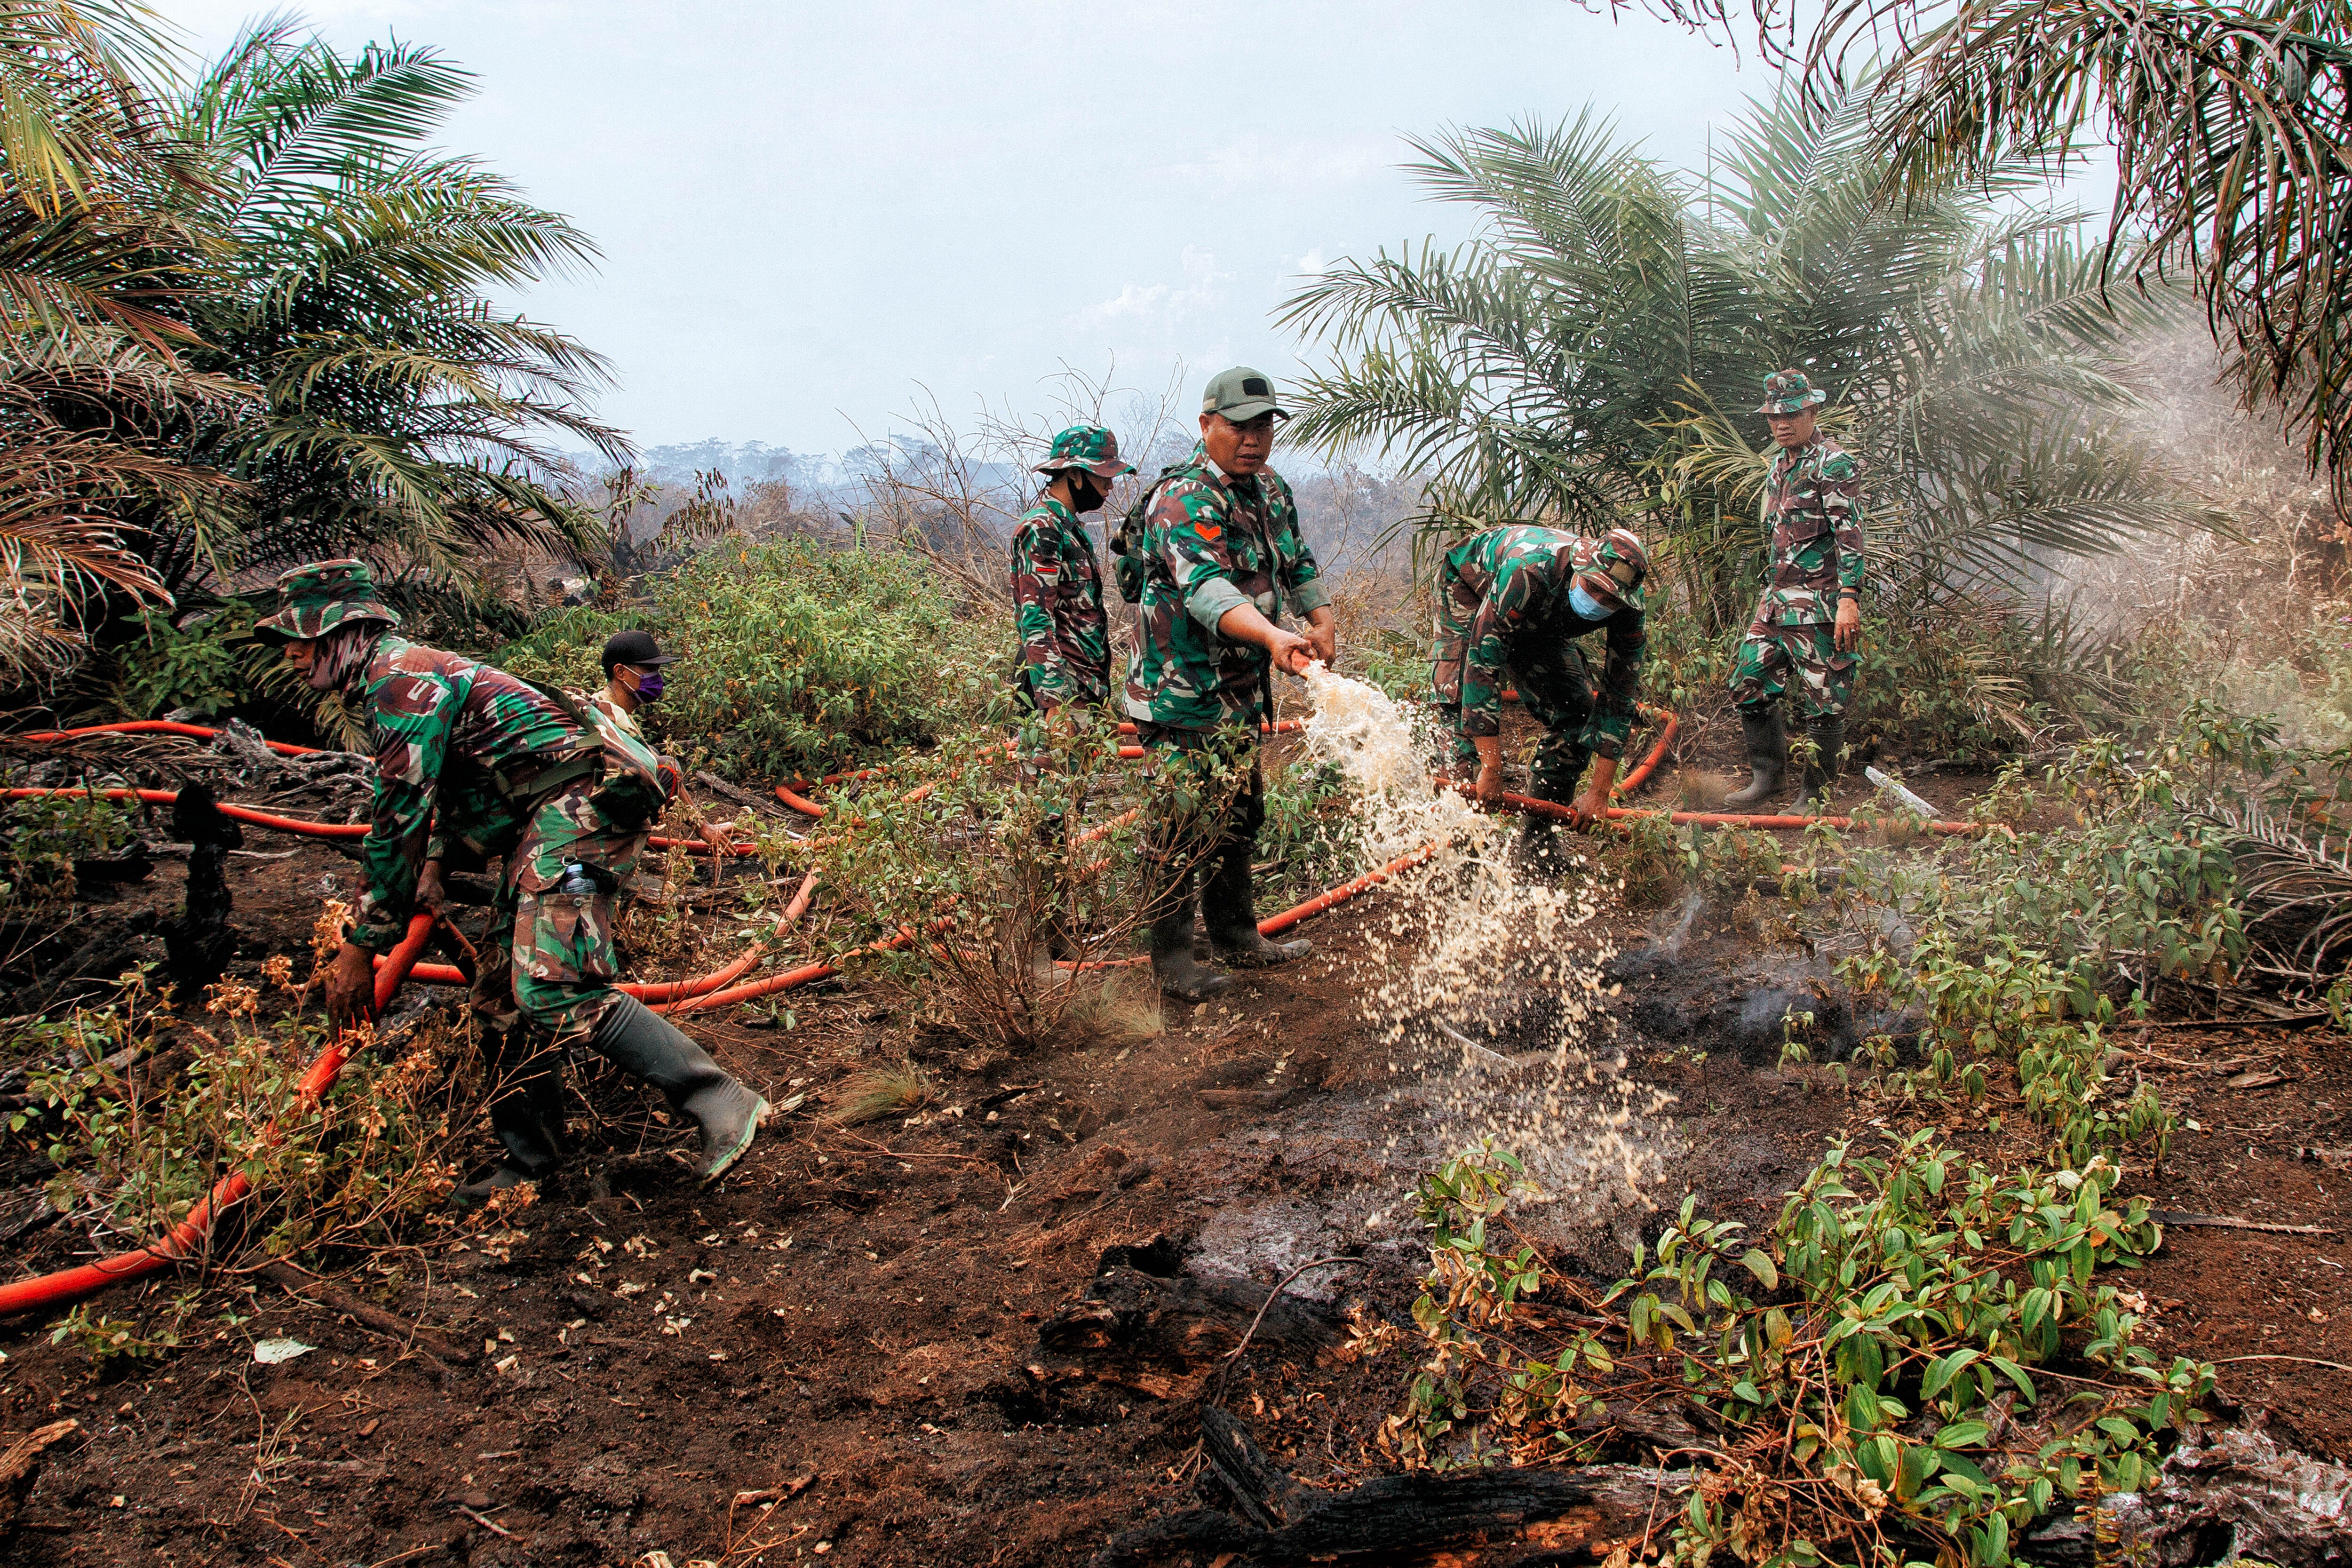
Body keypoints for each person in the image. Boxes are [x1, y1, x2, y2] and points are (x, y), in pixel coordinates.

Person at [256, 560, 769, 1201]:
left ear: (343, 633)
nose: (294, 659)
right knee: (501, 990)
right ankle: (533, 1165)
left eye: (301, 642)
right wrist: (438, 866)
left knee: (555, 987)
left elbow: (397, 820)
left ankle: (720, 1097)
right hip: (545, 820)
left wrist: (361, 946)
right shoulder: (401, 677)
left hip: (581, 818)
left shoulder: (400, 683)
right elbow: (468, 782)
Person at [1121, 366, 1336, 1002]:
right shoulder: (1182, 499)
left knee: (1237, 813)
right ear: (1207, 424)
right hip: (1180, 690)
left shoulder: (1269, 489)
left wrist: (1321, 616)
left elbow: (1296, 558)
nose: (1254, 438)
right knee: (1180, 822)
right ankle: (1172, 963)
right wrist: (1274, 637)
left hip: (1238, 689)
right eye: (1241, 425)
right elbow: (1208, 589)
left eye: (1265, 424)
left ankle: (1238, 936)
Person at [1431, 525, 1649, 869]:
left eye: (1610, 600)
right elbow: (1482, 665)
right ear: (1581, 567)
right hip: (1473, 586)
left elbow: (1620, 697)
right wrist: (1491, 766)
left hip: (1544, 620)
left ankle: (1537, 849)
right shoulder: (1529, 570)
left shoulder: (1629, 610)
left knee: (1576, 713)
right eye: (1593, 588)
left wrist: (1599, 791)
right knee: (1461, 713)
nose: (1598, 602)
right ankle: (1459, 855)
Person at [1722, 369, 1866, 809]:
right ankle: (1768, 780)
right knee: (1749, 679)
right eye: (1774, 418)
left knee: (1825, 697)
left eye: (1791, 415)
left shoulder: (1833, 463)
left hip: (1821, 601)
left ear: (1812, 411)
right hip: (1778, 599)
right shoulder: (1779, 466)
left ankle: (1815, 797)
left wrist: (1849, 599)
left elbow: (1850, 534)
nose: (1781, 424)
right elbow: (1777, 535)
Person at [588, 628, 740, 856]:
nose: (656, 678)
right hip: (590, 821)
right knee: (666, 767)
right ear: (620, 672)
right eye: (649, 669)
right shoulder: (608, 716)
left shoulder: (611, 709)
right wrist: (704, 829)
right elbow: (664, 770)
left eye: (657, 670)